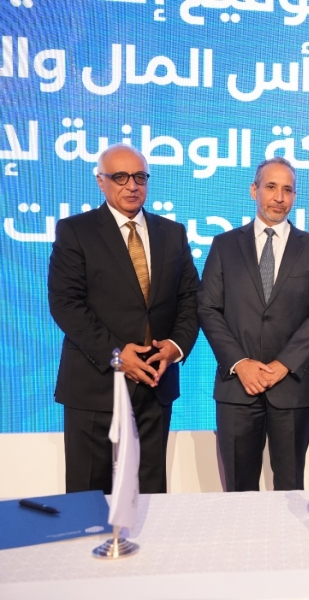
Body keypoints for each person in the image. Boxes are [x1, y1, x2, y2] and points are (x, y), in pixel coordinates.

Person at [48, 144, 199, 494]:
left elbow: (191, 297)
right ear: (101, 181)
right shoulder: (76, 231)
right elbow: (65, 304)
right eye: (120, 177)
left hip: (155, 380)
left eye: (140, 177)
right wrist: (117, 355)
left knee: (151, 496)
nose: (132, 185)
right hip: (95, 382)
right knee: (88, 497)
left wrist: (175, 346)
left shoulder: (172, 232)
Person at [198, 157, 309, 491]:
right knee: (238, 489)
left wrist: (284, 364)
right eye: (271, 187)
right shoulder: (224, 245)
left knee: (290, 488)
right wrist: (240, 363)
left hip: (292, 388)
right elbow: (208, 308)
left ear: (295, 196)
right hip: (237, 387)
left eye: (287, 190)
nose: (279, 197)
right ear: (254, 190)